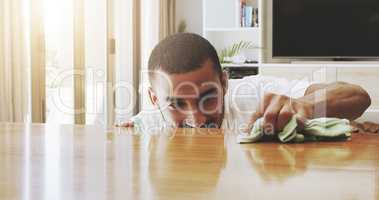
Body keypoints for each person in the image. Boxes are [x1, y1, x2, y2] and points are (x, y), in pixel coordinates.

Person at [116, 33, 371, 134]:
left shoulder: (257, 92)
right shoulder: (145, 125)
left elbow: (358, 96)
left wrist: (304, 105)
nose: (197, 118)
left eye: (207, 98)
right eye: (176, 104)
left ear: (225, 83)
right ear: (153, 99)